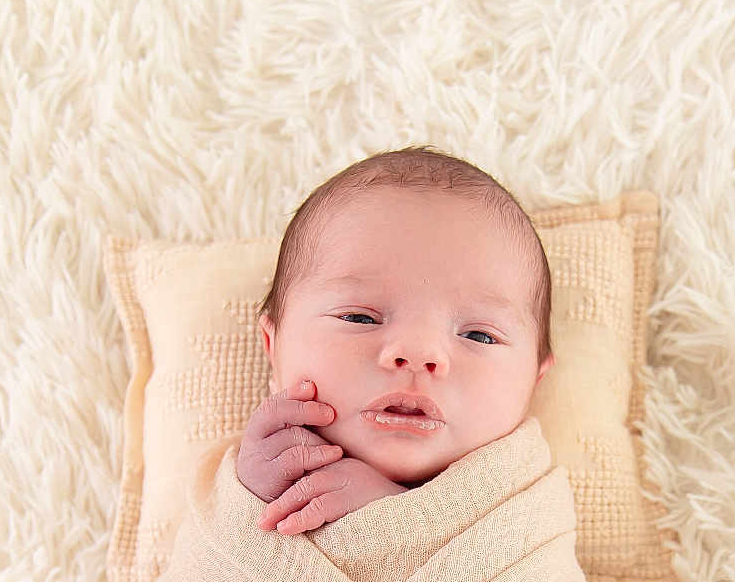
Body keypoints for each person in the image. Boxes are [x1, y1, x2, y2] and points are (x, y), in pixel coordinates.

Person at [236, 146, 556, 533]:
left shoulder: (525, 512)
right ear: (274, 350)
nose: (417, 354)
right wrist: (249, 498)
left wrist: (395, 515)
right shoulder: (247, 479)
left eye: (479, 335)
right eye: (359, 317)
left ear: (534, 381)